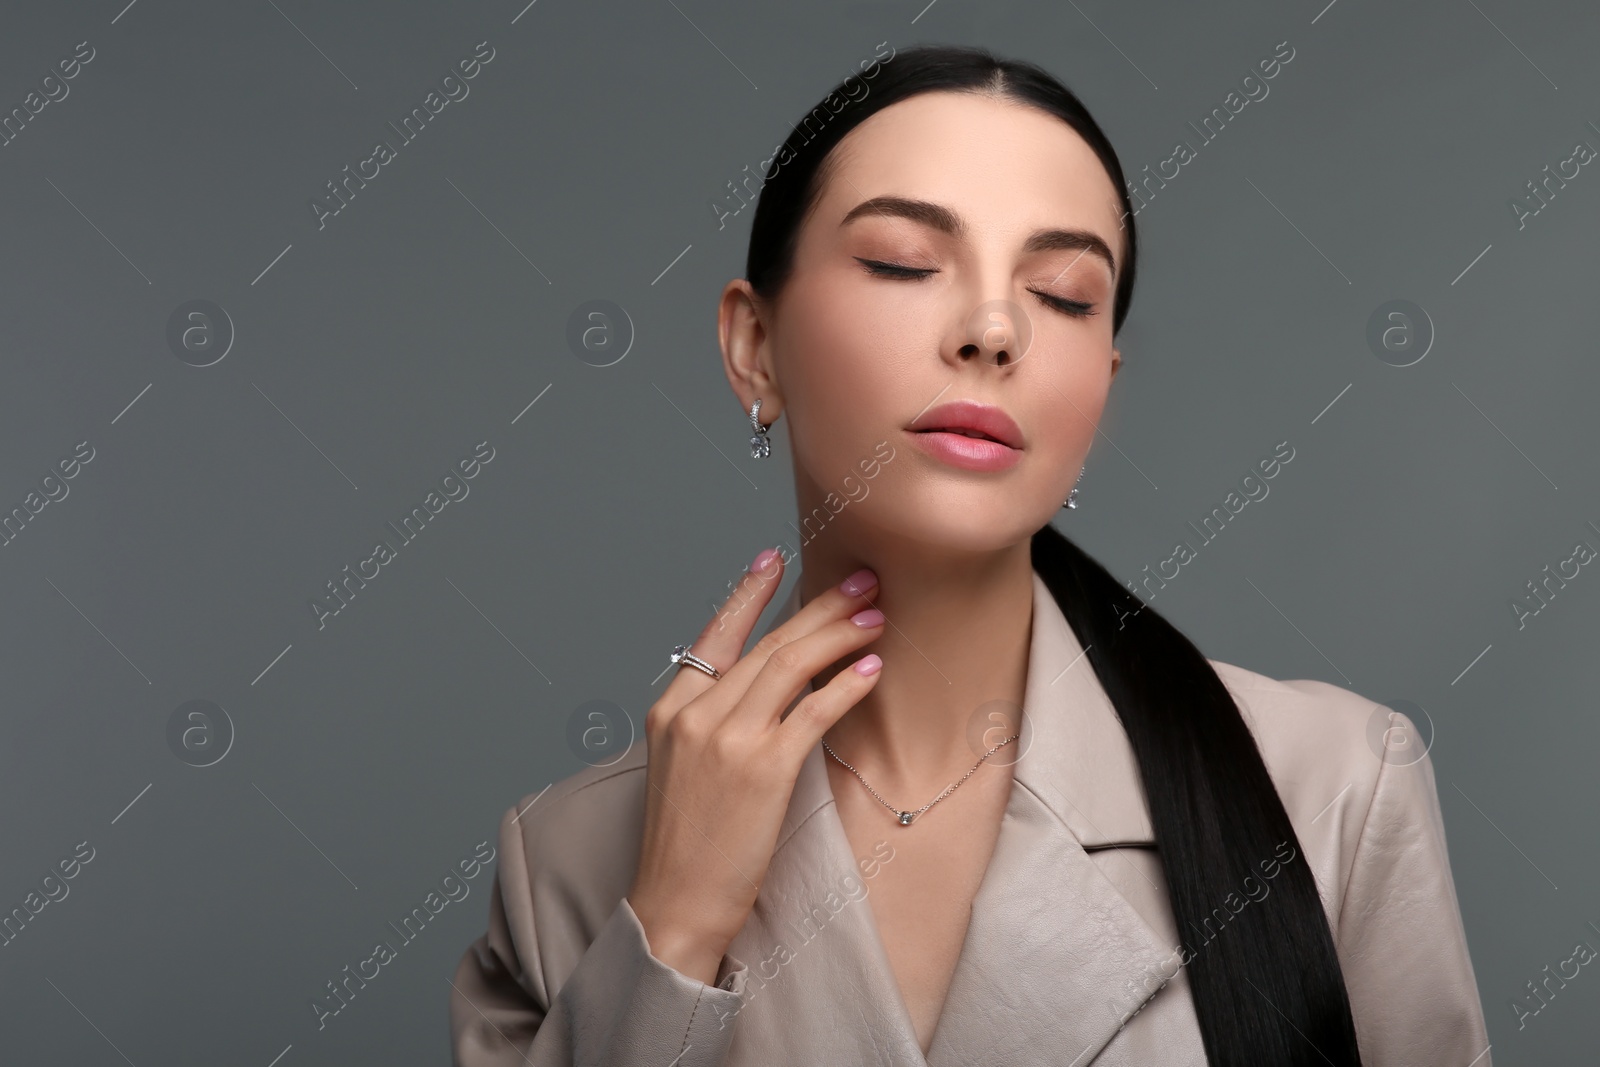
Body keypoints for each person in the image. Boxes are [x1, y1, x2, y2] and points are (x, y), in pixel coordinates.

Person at [448, 43, 1491, 1066]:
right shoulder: (567, 859)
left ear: (1100, 387)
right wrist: (669, 925)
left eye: (1064, 294)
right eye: (903, 261)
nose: (994, 328)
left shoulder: (1335, 789)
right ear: (752, 346)